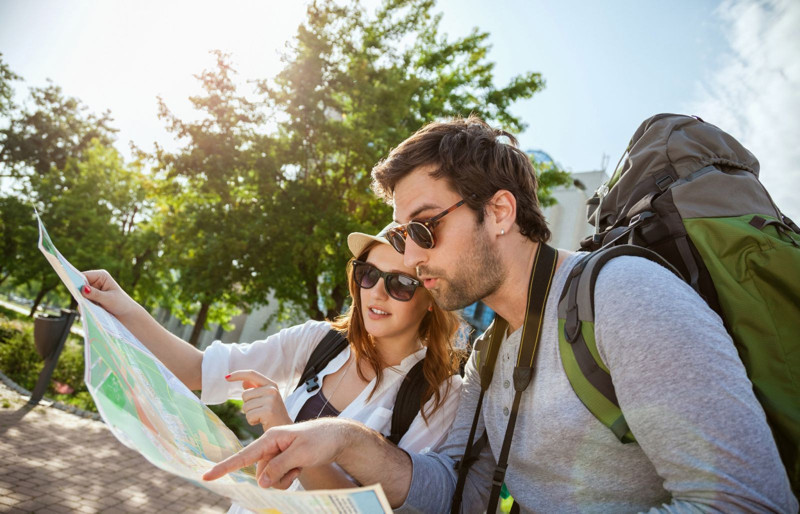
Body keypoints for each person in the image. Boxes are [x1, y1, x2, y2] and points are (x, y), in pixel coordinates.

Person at [202, 116, 798, 513]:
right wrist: (342, 440)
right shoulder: (491, 351)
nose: (409, 256)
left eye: (423, 228)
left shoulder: (623, 296)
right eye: (399, 234)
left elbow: (747, 502)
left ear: (500, 212)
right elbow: (461, 489)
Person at [80, 225, 464, 500]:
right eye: (369, 275)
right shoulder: (320, 341)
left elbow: (366, 509)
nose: (378, 293)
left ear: (430, 297)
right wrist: (122, 305)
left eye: (400, 284)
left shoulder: (439, 395)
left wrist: (284, 431)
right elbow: (198, 370)